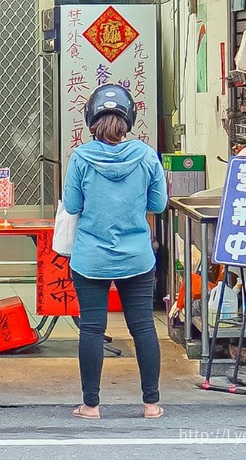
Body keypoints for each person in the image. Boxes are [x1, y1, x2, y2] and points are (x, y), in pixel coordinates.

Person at [63, 83, 168, 420]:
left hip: (91, 257)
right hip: (137, 256)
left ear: (90, 119)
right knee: (143, 328)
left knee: (92, 329)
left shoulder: (80, 158)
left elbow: (74, 205)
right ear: (130, 119)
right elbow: (158, 203)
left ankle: (91, 405)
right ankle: (151, 404)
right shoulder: (147, 155)